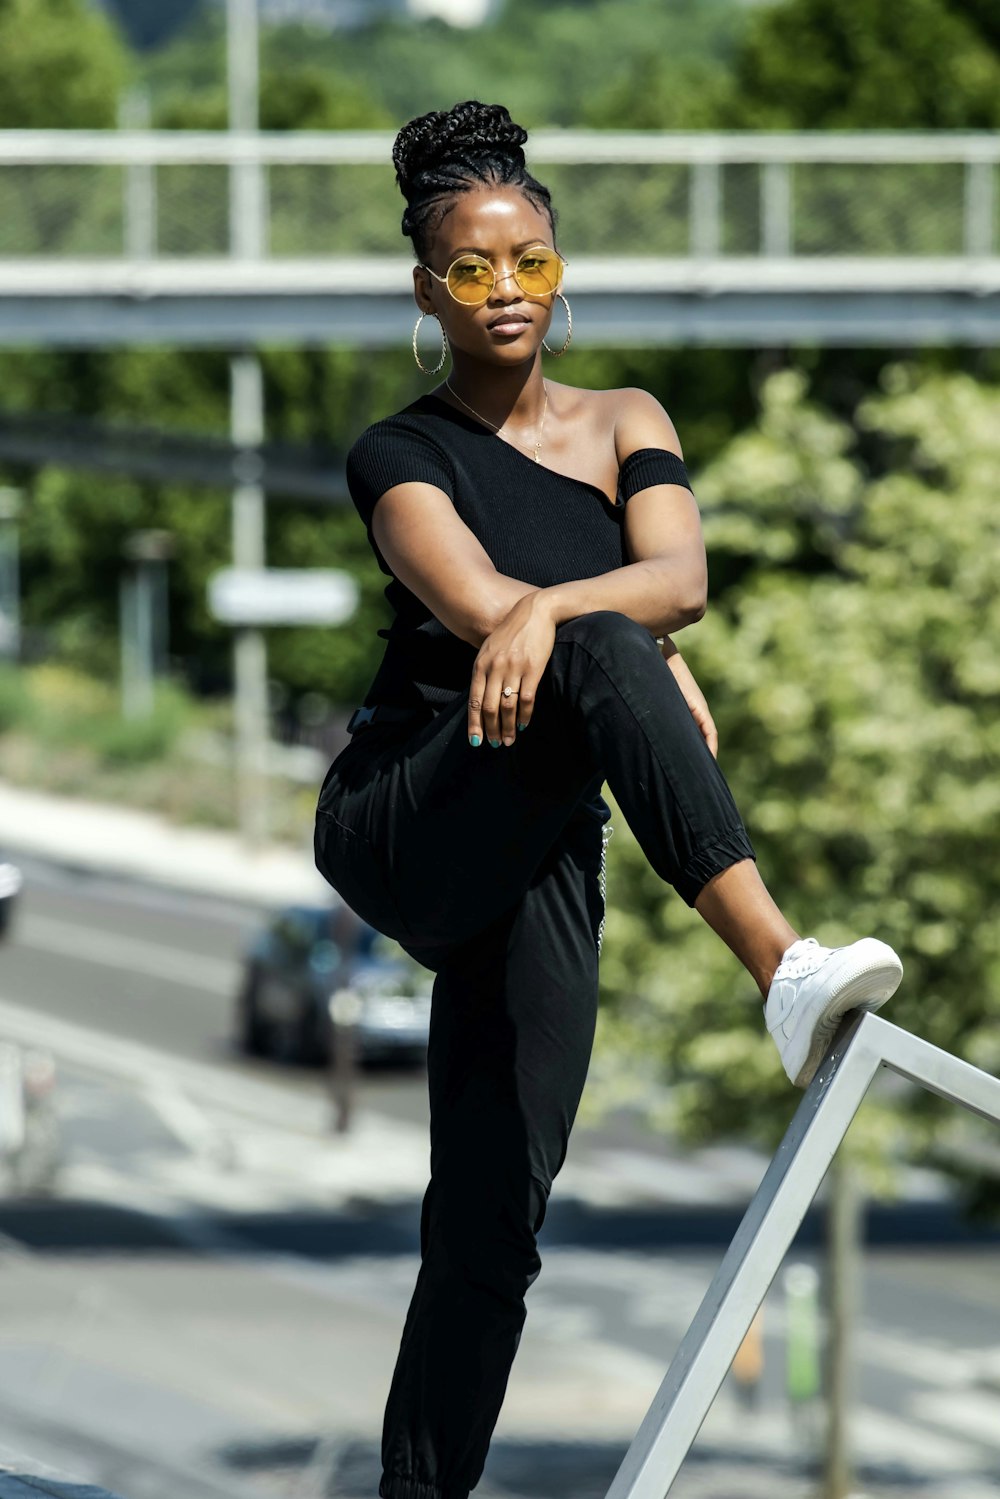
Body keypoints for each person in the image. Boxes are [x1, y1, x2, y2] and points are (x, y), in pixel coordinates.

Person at [313, 100, 903, 1499]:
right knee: (587, 637)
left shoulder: (631, 418)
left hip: (545, 850)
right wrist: (610, 642)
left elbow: (679, 577)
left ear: (559, 267)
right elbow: (479, 611)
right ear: (426, 289)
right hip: (415, 806)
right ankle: (781, 965)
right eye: (470, 269)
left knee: (493, 1225)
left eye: (529, 262)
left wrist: (627, 643)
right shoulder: (399, 459)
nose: (505, 292)